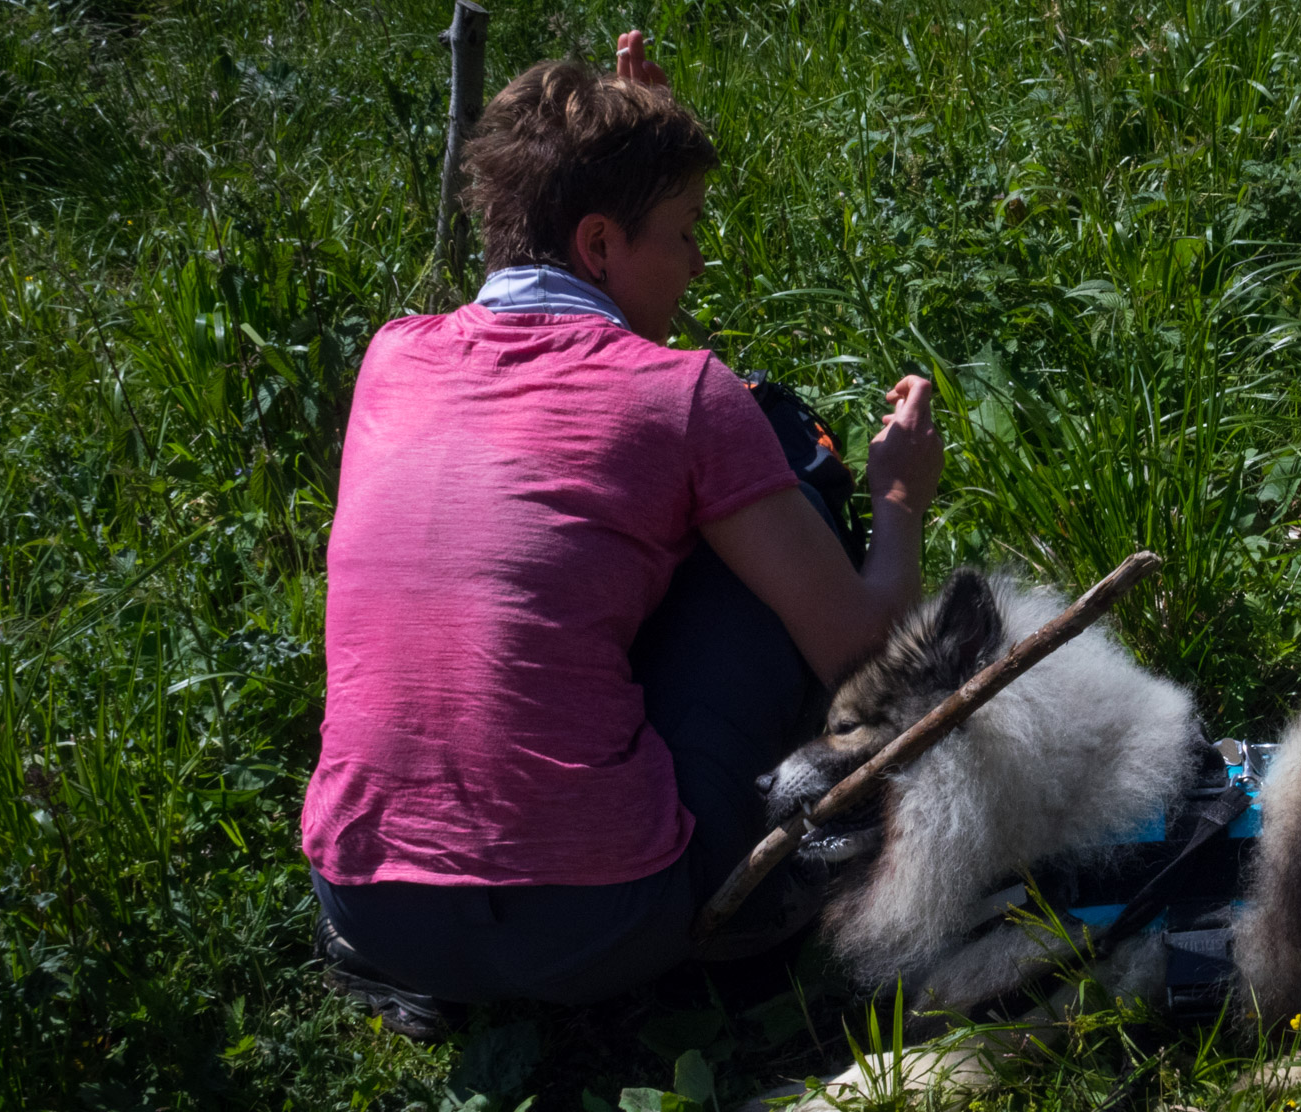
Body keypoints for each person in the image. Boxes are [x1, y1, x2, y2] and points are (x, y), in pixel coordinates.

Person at [301, 35, 943, 1039]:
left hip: (369, 903)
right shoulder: (690, 396)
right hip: (603, 914)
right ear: (599, 244)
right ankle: (731, 927)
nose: (696, 259)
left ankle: (460, 966)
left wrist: (643, 143)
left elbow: (575, 378)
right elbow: (869, 661)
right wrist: (898, 496)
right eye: (682, 232)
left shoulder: (392, 359)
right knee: (774, 521)